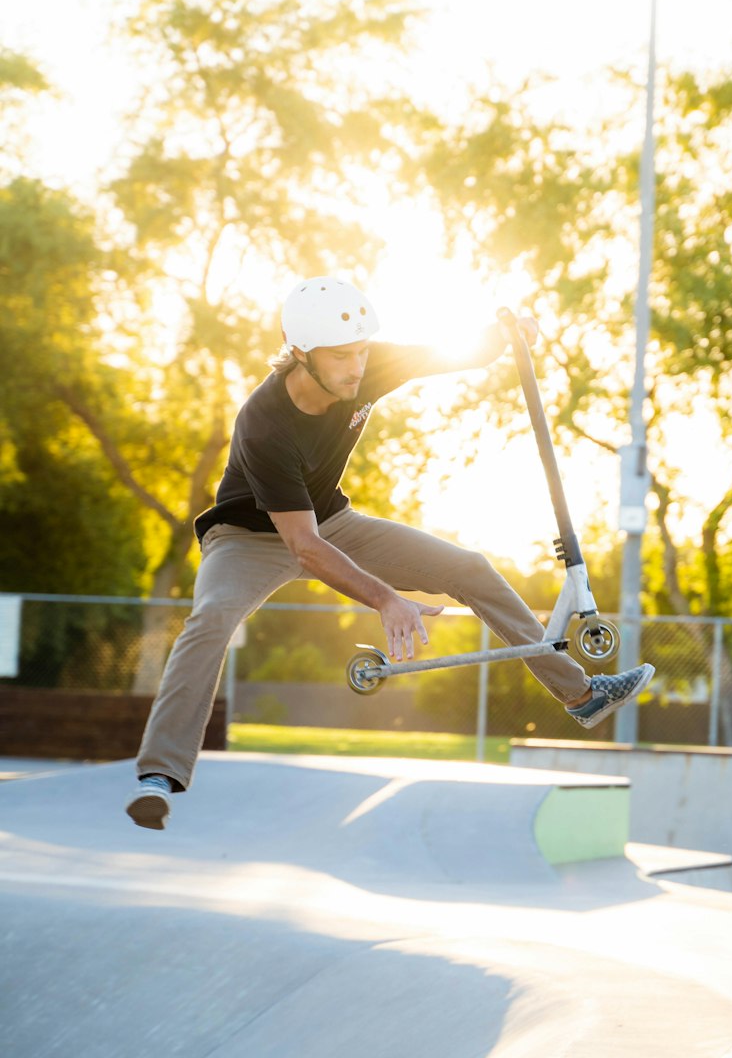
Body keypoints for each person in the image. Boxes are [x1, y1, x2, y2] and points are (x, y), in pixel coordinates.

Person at [126, 276, 654, 830]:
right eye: (341, 357)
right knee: (211, 618)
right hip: (247, 539)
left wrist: (507, 336)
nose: (357, 367)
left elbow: (454, 352)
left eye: (361, 351)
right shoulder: (264, 424)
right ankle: (159, 775)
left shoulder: (370, 364)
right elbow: (302, 548)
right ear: (301, 354)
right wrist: (387, 600)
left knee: (468, 568)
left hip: (332, 521)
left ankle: (580, 695)